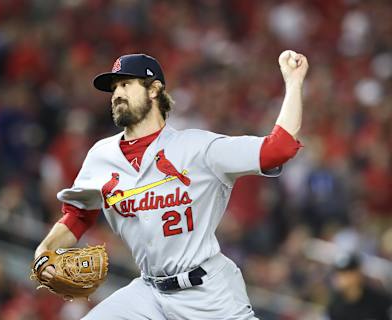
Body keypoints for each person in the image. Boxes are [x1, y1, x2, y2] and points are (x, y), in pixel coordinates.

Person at [35, 51, 308, 319]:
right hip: (148, 292)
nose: (117, 93)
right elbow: (78, 216)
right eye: (114, 87)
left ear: (154, 89)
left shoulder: (198, 148)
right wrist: (44, 251)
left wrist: (294, 83)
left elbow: (279, 148)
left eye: (126, 84)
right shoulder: (101, 156)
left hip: (207, 293)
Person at [327, 253, 392, 320]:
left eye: (349, 272)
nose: (344, 278)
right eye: (340, 273)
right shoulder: (335, 306)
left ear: (358, 272)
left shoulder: (380, 300)